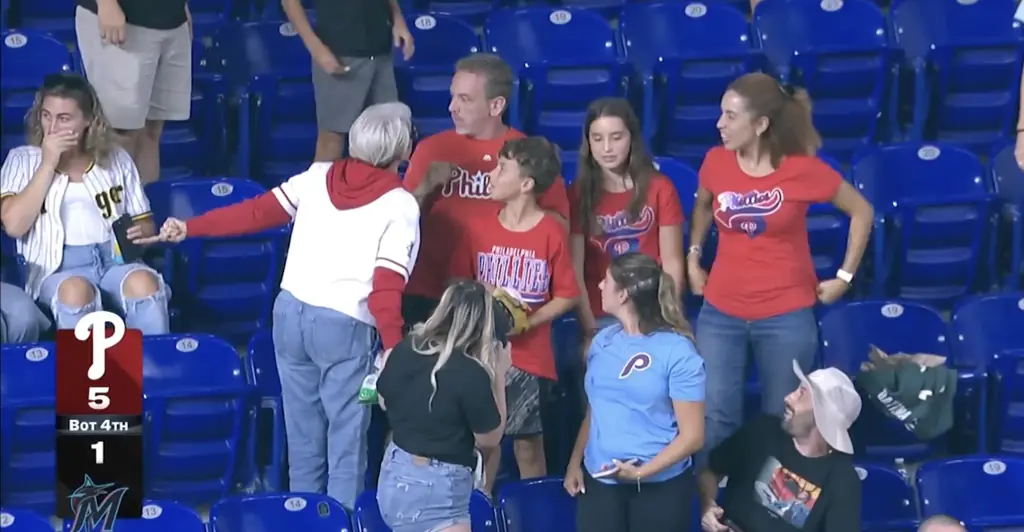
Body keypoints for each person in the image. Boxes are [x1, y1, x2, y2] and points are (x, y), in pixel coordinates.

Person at [140, 102, 420, 510]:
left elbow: (255, 213)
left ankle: (302, 519)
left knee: (303, 436)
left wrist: (191, 227)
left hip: (289, 316)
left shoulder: (317, 175)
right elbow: (385, 287)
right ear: (402, 151)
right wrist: (393, 346)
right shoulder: (400, 204)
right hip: (344, 327)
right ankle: (337, 521)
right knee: (345, 440)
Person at [688, 72, 874, 455]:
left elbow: (862, 211)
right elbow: (704, 205)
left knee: (782, 418)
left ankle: (768, 509)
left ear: (760, 124)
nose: (719, 124)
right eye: (720, 114)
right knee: (716, 417)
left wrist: (844, 276)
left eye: (730, 116)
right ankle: (711, 507)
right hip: (721, 312)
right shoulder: (715, 161)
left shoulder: (803, 169)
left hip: (786, 315)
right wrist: (693, 255)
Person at [402, 53, 570, 326]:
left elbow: (559, 225)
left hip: (496, 301)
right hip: (428, 293)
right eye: (453, 96)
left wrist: (519, 204)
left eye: (465, 99)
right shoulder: (431, 149)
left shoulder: (527, 152)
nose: (452, 108)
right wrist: (422, 189)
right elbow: (397, 227)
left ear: (496, 106)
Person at [452, 136, 579, 493]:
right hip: (480, 355)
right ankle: (480, 511)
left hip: (530, 359)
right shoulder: (477, 225)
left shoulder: (551, 230)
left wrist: (527, 322)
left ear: (526, 184)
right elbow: (458, 282)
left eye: (501, 168)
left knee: (527, 445)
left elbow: (568, 294)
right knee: (481, 445)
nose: (490, 175)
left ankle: (533, 513)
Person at [0, 73, 168, 334]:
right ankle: (85, 375)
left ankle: (151, 371)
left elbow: (144, 222)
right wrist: (48, 163)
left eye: (64, 118)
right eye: (46, 116)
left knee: (144, 283)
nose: (52, 127)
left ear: (88, 121)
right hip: (57, 268)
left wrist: (142, 232)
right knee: (75, 291)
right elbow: (13, 225)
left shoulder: (116, 159)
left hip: (114, 260)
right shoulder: (21, 160)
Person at [563, 252, 705, 532]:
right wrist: (574, 463)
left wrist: (640, 473)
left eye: (606, 281)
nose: (600, 286)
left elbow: (693, 436)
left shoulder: (678, 352)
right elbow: (596, 410)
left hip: (659, 489)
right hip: (600, 482)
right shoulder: (601, 342)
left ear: (624, 294)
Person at [376, 280, 512, 532]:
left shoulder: (407, 348)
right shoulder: (470, 372)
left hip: (393, 475)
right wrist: (500, 375)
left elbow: (384, 401)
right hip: (437, 489)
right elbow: (490, 438)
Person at [569, 98, 685, 340]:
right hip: (601, 314)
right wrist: (590, 329)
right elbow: (575, 270)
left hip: (650, 313)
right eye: (597, 139)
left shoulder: (660, 188)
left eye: (617, 137)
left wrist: (667, 315)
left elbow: (672, 262)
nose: (607, 148)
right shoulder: (578, 194)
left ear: (632, 138)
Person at [699, 362, 862, 532]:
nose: (788, 397)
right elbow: (710, 471)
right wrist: (706, 505)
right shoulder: (762, 429)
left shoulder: (841, 478)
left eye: (801, 394)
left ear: (821, 415)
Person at [74, 0, 192, 184]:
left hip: (172, 21)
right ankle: (116, 211)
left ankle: (144, 209)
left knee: (152, 130)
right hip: (122, 19)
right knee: (121, 136)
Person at [283, 0, 414, 161]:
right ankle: (323, 186)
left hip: (381, 51)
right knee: (332, 140)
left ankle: (380, 186)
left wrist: (397, 19)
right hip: (340, 52)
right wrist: (316, 49)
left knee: (387, 139)